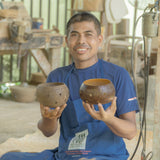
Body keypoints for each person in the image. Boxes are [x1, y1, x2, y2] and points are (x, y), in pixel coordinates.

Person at [0, 12, 139, 160]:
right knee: (9, 157)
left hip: (106, 156)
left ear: (99, 40)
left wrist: (109, 119)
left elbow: (130, 132)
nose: (81, 41)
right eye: (74, 35)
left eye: (88, 34)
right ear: (67, 41)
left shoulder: (118, 75)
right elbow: (48, 132)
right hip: (67, 156)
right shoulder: (57, 78)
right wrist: (49, 118)